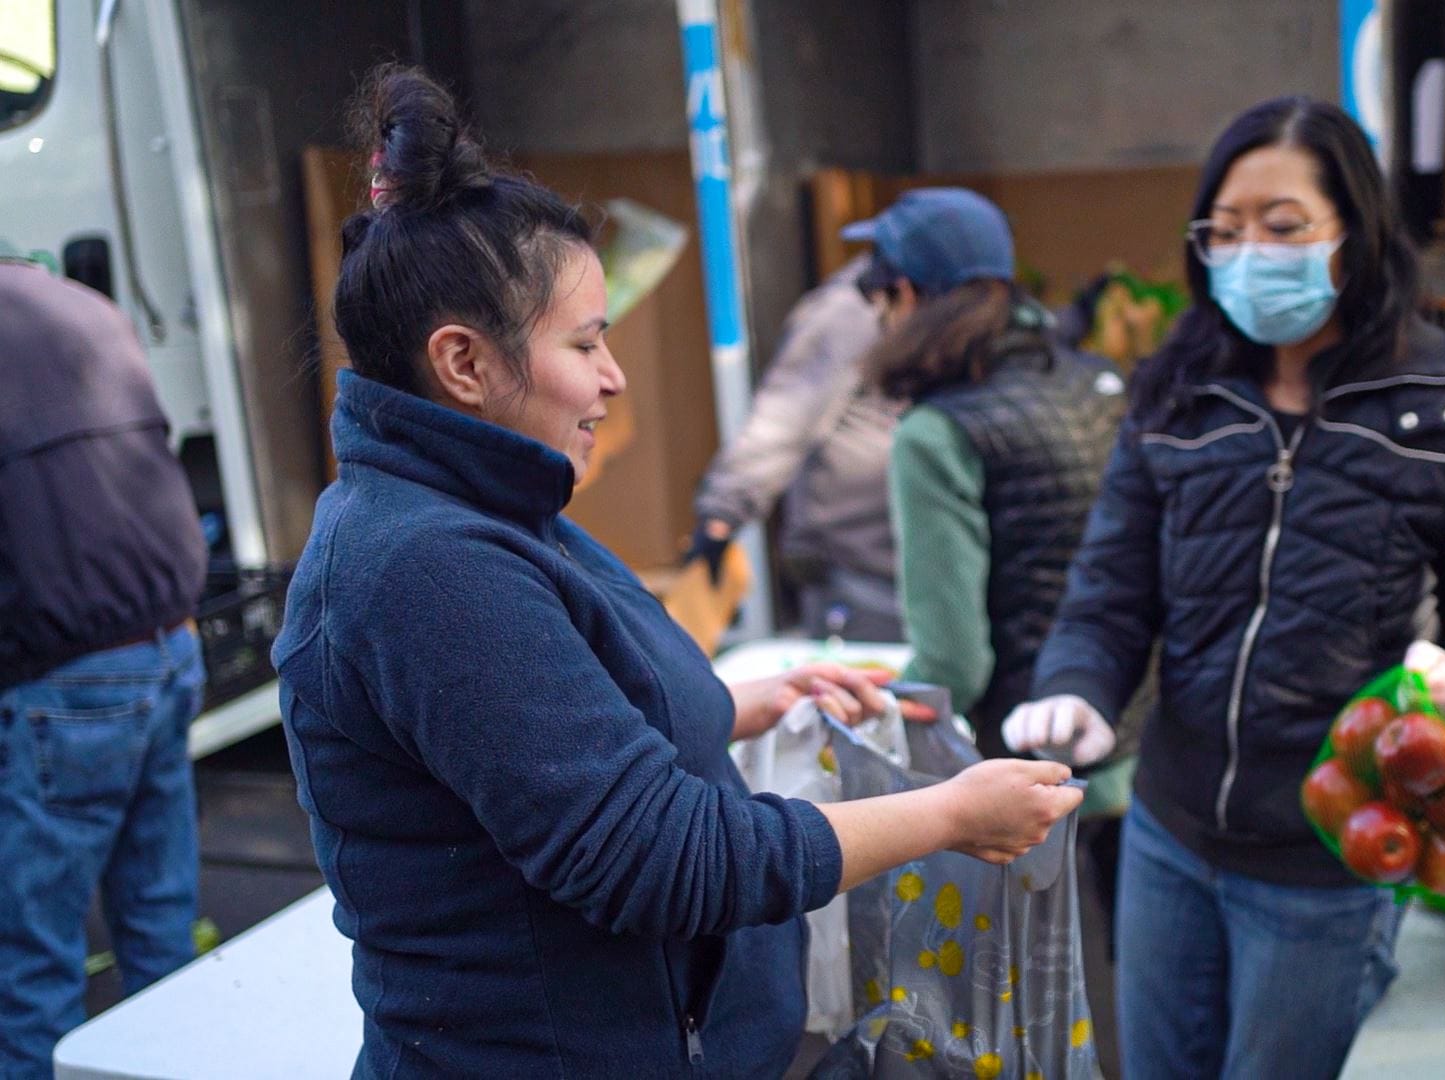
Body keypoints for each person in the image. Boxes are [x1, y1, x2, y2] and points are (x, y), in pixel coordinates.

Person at [273, 68, 1081, 1078]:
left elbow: (551, 725)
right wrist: (950, 815)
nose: (613, 375)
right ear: (464, 364)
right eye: (586, 342)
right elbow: (663, 858)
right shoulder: (425, 566)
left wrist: (741, 703)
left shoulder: (492, 502)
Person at [1003, 97, 1445, 1078]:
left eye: (1282, 227)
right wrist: (1077, 689)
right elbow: (1108, 592)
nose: (1250, 255)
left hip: (1326, 870)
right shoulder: (1177, 401)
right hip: (1168, 838)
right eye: (1224, 231)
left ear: (1355, 233)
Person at [851, 188, 1146, 930]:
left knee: (1055, 1017)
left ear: (907, 295)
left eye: (875, 294)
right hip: (1141, 742)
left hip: (1026, 778)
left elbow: (953, 662)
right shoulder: (1097, 381)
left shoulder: (935, 434)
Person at [0, 253, 209, 1077]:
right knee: (160, 931)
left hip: (69, 675)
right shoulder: (75, 304)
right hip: (169, 643)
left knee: (31, 965)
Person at [686, 254, 904, 642]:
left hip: (908, 564)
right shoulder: (848, 312)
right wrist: (722, 515)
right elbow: (784, 418)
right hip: (858, 569)